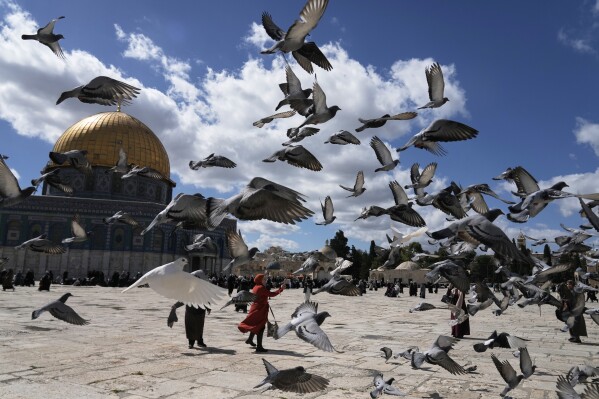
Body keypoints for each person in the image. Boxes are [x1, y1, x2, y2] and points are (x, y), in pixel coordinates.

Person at [238, 273, 285, 353]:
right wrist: (281, 289)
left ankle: (250, 339)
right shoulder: (260, 288)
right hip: (259, 310)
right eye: (264, 279)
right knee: (261, 327)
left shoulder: (256, 287)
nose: (266, 281)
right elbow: (271, 294)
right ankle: (259, 347)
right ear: (260, 280)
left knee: (256, 325)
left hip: (257, 308)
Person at [167, 273, 209, 349]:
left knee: (199, 327)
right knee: (190, 327)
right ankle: (191, 343)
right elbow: (183, 300)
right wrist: (175, 305)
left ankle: (200, 341)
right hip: (190, 311)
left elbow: (206, 299)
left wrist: (208, 308)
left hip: (200, 311)